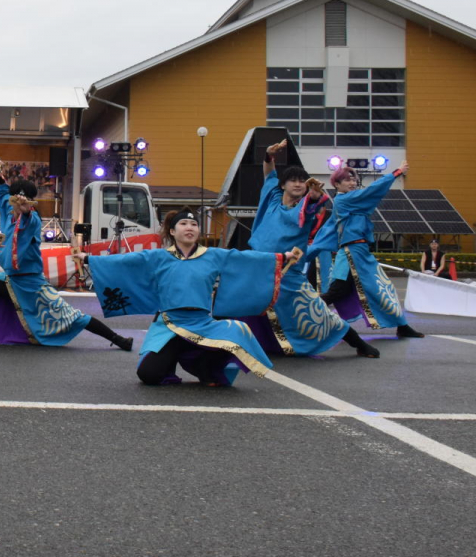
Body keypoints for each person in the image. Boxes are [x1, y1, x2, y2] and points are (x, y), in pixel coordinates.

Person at [87, 210, 302, 386]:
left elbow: (245, 259)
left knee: (238, 330)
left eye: (194, 224)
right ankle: (175, 357)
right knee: (149, 375)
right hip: (169, 325)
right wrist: (89, 259)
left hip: (201, 323)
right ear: (172, 231)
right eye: (183, 224)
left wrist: (282, 257)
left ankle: (204, 366)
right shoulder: (159, 256)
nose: (189, 227)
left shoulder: (213, 255)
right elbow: (125, 262)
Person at [0, 166, 132, 351]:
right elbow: (2, 197)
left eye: (22, 200)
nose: (15, 203)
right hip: (10, 279)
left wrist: (27, 211)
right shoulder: (7, 213)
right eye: (14, 199)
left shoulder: (32, 219)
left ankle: (118, 339)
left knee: (72, 316)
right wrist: (0, 181)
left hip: (31, 282)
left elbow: (30, 220)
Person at [242, 140, 380, 359]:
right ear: (284, 185)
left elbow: (313, 202)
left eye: (302, 182)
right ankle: (243, 344)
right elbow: (269, 174)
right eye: (293, 181)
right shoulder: (272, 198)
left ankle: (358, 343)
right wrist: (269, 156)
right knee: (244, 304)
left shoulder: (305, 208)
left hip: (288, 271)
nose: (298, 184)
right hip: (260, 266)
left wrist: (314, 196)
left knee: (318, 311)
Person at [321, 161, 425, 338]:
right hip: (351, 254)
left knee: (377, 288)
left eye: (354, 179)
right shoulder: (345, 200)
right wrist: (395, 173)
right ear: (337, 184)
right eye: (347, 180)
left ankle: (402, 326)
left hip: (358, 251)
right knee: (341, 291)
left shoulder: (348, 201)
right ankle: (306, 313)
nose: (353, 183)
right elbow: (371, 192)